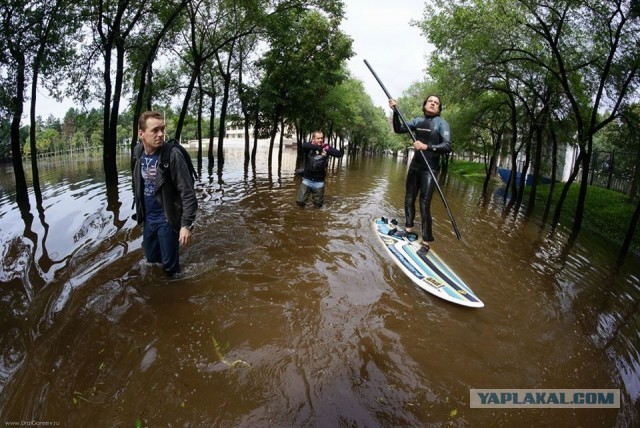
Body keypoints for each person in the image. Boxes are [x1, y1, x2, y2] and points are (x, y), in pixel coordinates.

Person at [132, 111, 197, 276]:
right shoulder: (138, 152)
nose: (161, 134)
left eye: (162, 129)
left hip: (167, 220)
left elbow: (188, 193)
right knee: (152, 262)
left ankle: (175, 295)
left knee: (170, 269)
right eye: (155, 130)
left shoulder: (172, 155)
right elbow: (138, 184)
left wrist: (185, 225)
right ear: (141, 134)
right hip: (148, 220)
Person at [388, 95, 451, 254]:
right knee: (409, 198)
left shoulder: (441, 123)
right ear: (425, 105)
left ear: (439, 108)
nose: (433, 104)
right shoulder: (417, 121)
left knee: (424, 204)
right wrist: (395, 111)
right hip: (415, 167)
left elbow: (447, 146)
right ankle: (408, 230)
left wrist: (426, 146)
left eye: (436, 103)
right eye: (430, 101)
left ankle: (426, 242)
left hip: (430, 169)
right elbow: (398, 129)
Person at [296, 130, 344, 208]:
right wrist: (319, 148)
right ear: (313, 139)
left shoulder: (326, 147)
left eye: (321, 138)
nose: (320, 140)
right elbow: (304, 145)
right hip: (307, 180)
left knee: (318, 206)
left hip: (319, 181)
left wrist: (326, 150)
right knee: (300, 202)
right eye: (318, 138)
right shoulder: (308, 146)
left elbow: (339, 154)